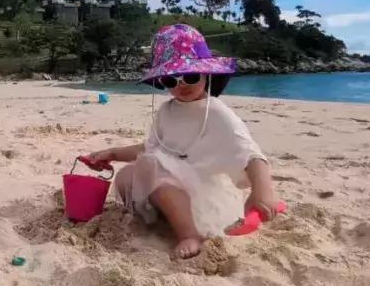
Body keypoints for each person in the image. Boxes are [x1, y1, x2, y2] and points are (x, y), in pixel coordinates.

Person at [87, 24, 280, 259]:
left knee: (153, 167)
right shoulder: (167, 111)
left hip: (205, 194)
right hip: (171, 186)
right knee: (127, 175)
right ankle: (166, 216)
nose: (181, 84)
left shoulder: (216, 113)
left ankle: (190, 235)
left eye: (190, 75)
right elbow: (153, 148)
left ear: (206, 73)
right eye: (171, 80)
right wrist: (113, 153)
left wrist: (262, 192)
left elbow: (251, 155)